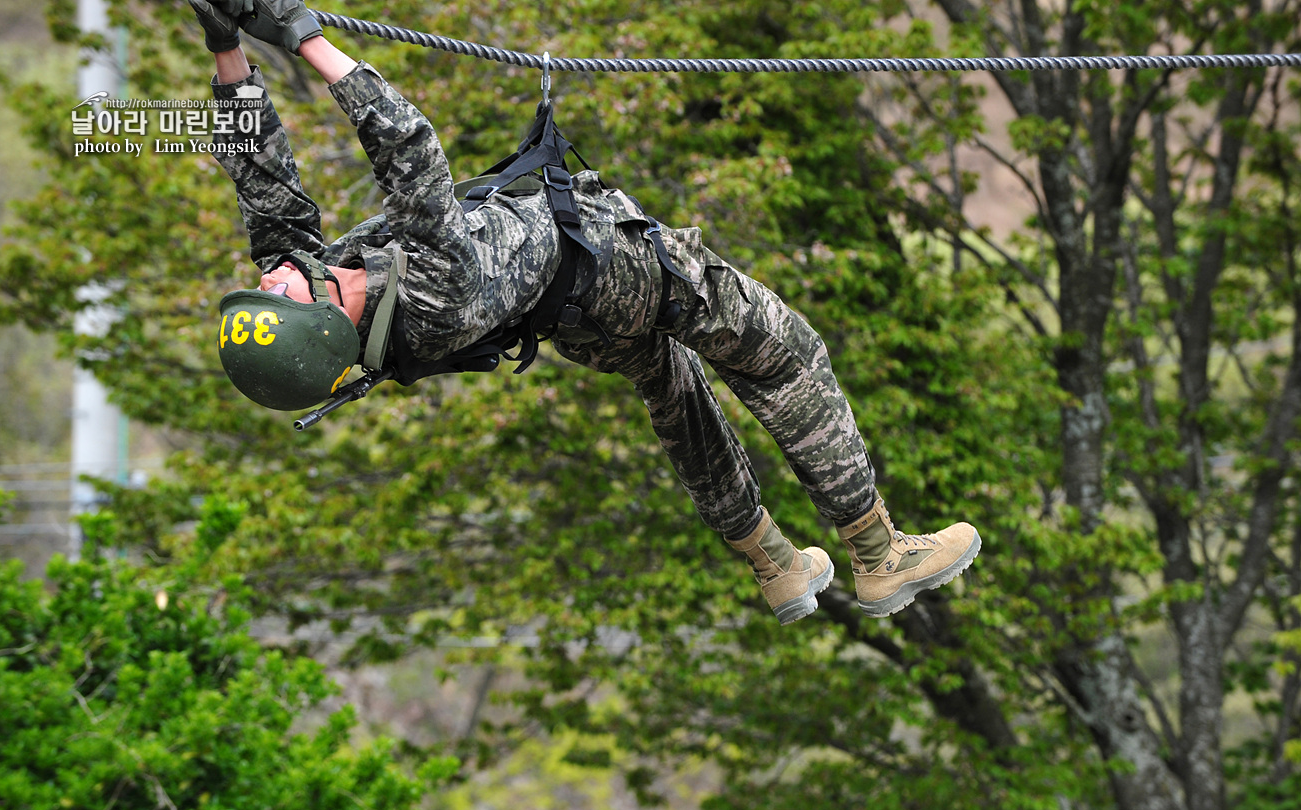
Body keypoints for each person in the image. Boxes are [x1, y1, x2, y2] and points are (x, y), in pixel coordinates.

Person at [193, 0, 981, 624]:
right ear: (321, 321)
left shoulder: (318, 282)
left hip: (578, 316)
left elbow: (262, 176)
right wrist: (304, 38)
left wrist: (226, 44)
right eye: (276, 299)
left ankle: (775, 565)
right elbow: (407, 149)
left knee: (677, 394)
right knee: (785, 356)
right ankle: (878, 552)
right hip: (624, 267)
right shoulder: (430, 297)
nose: (270, 283)